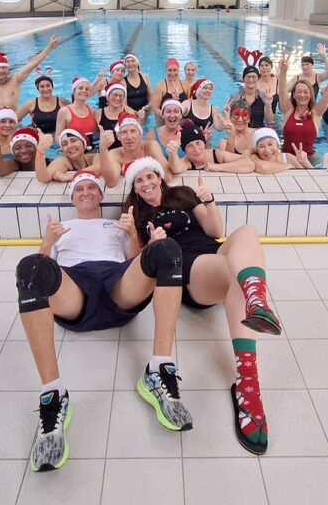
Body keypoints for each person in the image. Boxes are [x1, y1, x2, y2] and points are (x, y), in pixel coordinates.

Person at [18, 169, 192, 472]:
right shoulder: (62, 228)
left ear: (101, 195)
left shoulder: (116, 224)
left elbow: (135, 262)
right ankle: (53, 395)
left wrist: (132, 234)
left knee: (166, 250)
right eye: (79, 189)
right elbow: (46, 273)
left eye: (92, 188)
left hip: (116, 283)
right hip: (75, 286)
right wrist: (47, 243)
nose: (86, 192)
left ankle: (158, 369)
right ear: (72, 197)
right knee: (30, 267)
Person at [124, 157, 281, 455]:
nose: (146, 183)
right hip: (190, 268)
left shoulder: (183, 194)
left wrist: (209, 201)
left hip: (214, 250)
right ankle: (248, 383)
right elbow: (136, 265)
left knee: (247, 231)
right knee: (233, 275)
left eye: (149, 176)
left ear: (159, 178)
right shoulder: (138, 216)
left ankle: (255, 299)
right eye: (139, 181)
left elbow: (213, 230)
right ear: (135, 189)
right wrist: (145, 241)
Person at [278, 51, 328, 167]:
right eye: (298, 92)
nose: (302, 95)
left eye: (306, 92)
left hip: (310, 159)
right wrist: (283, 72)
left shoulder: (316, 112)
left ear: (311, 95)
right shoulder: (288, 110)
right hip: (287, 158)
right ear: (294, 95)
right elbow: (282, 93)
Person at [99, 112, 171, 180]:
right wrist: (103, 148)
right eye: (124, 132)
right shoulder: (115, 154)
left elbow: (168, 176)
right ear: (118, 136)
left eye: (133, 131)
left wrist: (131, 168)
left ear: (140, 134)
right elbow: (111, 182)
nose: (129, 137)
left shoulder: (151, 146)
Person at [35, 128, 117, 186]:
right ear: (62, 151)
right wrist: (40, 150)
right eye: (65, 144)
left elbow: (99, 168)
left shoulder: (95, 157)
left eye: (73, 141)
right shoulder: (63, 162)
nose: (70, 146)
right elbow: (43, 178)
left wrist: (68, 177)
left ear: (84, 144)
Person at [169, 123, 255, 174]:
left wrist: (217, 167)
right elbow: (176, 168)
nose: (196, 149)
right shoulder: (187, 161)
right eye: (190, 146)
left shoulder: (216, 154)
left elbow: (249, 164)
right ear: (185, 150)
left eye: (198, 143)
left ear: (204, 143)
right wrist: (173, 153)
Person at [54, 77, 98, 147]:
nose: (84, 91)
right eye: (80, 88)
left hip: (90, 148)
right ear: (73, 91)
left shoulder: (90, 109)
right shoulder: (64, 111)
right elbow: (58, 136)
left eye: (87, 89)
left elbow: (94, 133)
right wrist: (67, 147)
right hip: (73, 150)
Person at [149, 57, 188, 122]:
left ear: (179, 70)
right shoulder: (160, 86)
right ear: (166, 70)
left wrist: (179, 116)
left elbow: (189, 103)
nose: (172, 73)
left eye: (175, 70)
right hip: (164, 119)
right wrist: (168, 117)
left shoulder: (185, 84)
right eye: (170, 70)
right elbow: (155, 108)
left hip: (181, 119)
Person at [95, 83, 129, 150]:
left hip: (124, 151)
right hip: (105, 152)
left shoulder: (128, 113)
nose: (117, 98)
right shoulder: (98, 114)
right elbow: (94, 136)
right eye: (115, 94)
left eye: (121, 96)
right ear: (108, 96)